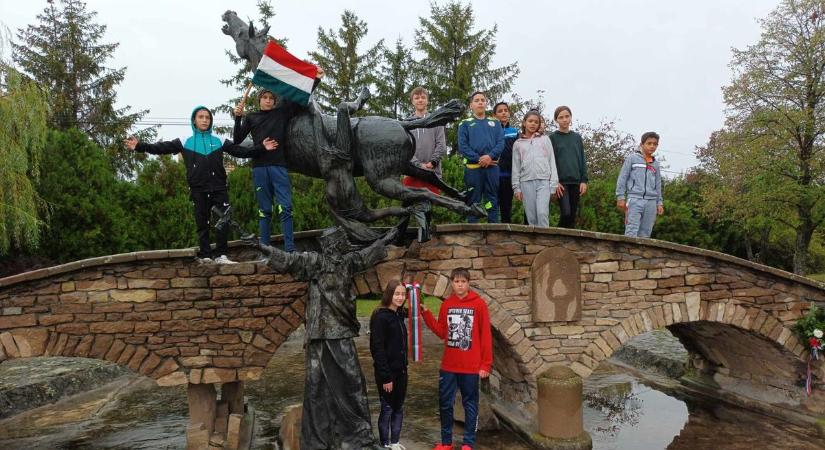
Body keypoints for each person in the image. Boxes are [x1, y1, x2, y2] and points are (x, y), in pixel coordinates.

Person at [259, 226, 398, 449]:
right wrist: (261, 247)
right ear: (334, 245)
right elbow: (289, 261)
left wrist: (387, 239)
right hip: (321, 335)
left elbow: (366, 255)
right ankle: (318, 441)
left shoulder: (347, 262)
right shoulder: (316, 263)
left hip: (340, 331)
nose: (347, 243)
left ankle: (357, 438)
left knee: (353, 383)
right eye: (343, 240)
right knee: (318, 387)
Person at [124, 106, 277, 264]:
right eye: (201, 117)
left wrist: (261, 148)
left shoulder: (219, 140)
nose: (204, 120)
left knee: (223, 221)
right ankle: (205, 255)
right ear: (194, 120)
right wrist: (139, 146)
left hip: (219, 187)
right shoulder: (185, 141)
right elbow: (161, 148)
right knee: (202, 223)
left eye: (207, 118)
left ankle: (221, 255)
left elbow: (240, 151)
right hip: (198, 189)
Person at [421, 268, 493, 450]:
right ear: (452, 283)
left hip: (470, 366)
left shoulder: (479, 305)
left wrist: (486, 364)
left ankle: (468, 443)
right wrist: (427, 314)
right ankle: (446, 443)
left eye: (463, 282)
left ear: (468, 283)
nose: (459, 285)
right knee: (445, 403)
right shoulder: (447, 304)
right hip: (449, 365)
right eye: (456, 281)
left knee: (470, 404)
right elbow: (442, 333)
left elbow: (485, 336)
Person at [401, 86, 447, 241]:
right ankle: (401, 240)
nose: (420, 100)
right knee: (407, 207)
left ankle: (424, 240)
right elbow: (405, 146)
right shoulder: (406, 122)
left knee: (427, 206)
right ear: (412, 101)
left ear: (427, 100)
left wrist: (432, 162)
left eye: (423, 97)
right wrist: (416, 164)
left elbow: (441, 145)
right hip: (411, 171)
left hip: (431, 172)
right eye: (416, 97)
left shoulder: (437, 121)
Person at [369, 279, 409, 450]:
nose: (400, 297)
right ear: (389, 294)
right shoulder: (380, 317)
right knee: (387, 408)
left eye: (403, 294)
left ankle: (395, 442)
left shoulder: (399, 314)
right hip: (387, 373)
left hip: (401, 371)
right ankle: (385, 444)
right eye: (397, 294)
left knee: (398, 408)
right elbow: (377, 349)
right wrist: (386, 377)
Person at [458, 91, 504, 223]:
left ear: (486, 103)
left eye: (482, 100)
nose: (480, 102)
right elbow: (463, 146)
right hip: (473, 169)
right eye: (477, 100)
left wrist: (490, 156)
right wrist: (479, 158)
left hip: (492, 168)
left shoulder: (495, 123)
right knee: (473, 201)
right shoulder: (465, 124)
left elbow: (500, 143)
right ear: (471, 105)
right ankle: (472, 235)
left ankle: (494, 232)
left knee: (492, 200)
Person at [512, 110, 559, 227]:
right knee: (531, 217)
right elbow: (516, 166)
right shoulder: (518, 143)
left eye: (536, 122)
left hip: (544, 181)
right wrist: (516, 187)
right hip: (526, 182)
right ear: (524, 123)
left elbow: (551, 161)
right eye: (530, 121)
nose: (533, 124)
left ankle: (545, 242)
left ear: (539, 125)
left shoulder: (545, 140)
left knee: (542, 213)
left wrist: (554, 183)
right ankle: (534, 244)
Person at [616, 131, 664, 238]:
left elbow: (658, 184)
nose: (652, 146)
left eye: (655, 144)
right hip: (634, 199)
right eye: (649, 143)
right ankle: (628, 254)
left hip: (651, 202)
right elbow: (622, 177)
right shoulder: (632, 158)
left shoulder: (655, 164)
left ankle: (640, 255)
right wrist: (620, 196)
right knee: (631, 230)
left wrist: (659, 202)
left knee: (646, 232)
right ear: (642, 144)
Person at [549, 106, 588, 228]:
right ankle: (555, 236)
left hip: (576, 182)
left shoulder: (576, 137)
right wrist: (555, 182)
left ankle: (565, 244)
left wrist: (583, 180)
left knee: (572, 216)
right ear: (556, 120)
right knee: (566, 213)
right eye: (561, 117)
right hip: (561, 182)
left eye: (567, 116)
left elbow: (582, 159)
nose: (564, 119)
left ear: (571, 118)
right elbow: (550, 162)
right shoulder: (552, 138)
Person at [493, 102, 518, 224]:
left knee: (506, 208)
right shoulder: (490, 131)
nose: (503, 112)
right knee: (493, 207)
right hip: (493, 174)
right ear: (495, 115)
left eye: (505, 110)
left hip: (509, 175)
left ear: (509, 113)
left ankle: (506, 239)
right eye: (500, 111)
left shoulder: (515, 132)